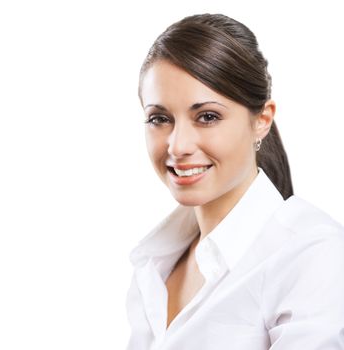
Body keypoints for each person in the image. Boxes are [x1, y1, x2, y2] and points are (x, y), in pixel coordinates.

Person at [125, 13, 344, 349]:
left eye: (207, 117)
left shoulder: (312, 254)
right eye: (159, 118)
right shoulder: (154, 264)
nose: (178, 146)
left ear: (262, 121)